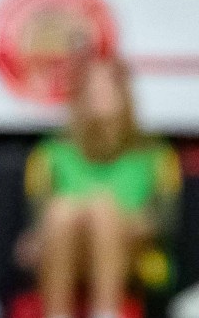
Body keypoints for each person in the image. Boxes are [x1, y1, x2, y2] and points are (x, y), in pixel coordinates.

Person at [19, 57, 180, 318]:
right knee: (62, 211)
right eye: (92, 89)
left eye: (108, 88)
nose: (100, 97)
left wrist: (124, 222)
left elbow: (164, 221)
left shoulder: (155, 154)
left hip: (133, 254)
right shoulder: (52, 152)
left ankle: (106, 311)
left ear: (125, 94)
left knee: (102, 211)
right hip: (64, 248)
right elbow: (37, 226)